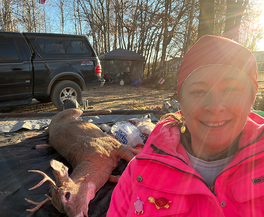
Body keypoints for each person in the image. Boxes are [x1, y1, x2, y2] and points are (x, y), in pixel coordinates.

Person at [106, 35, 264, 217]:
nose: (215, 106)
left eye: (231, 89)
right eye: (198, 91)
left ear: (251, 97)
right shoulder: (138, 173)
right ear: (181, 101)